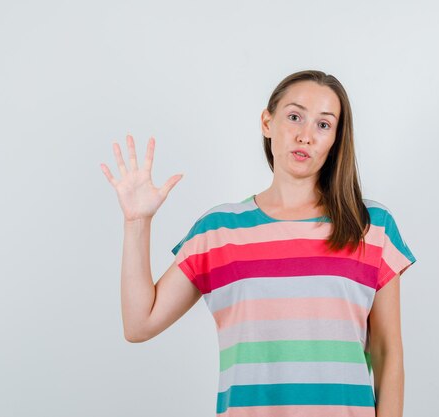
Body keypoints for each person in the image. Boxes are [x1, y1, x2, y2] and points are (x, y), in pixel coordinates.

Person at [101, 69, 416, 417]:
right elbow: (139, 324)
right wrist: (137, 222)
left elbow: (388, 354)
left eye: (323, 125)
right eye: (294, 116)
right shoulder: (218, 232)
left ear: (336, 139)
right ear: (267, 122)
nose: (305, 136)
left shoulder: (370, 226)